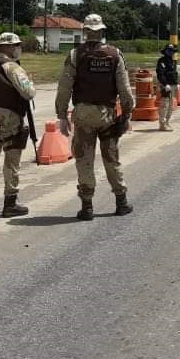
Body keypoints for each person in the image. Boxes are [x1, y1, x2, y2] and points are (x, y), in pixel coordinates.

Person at [55, 14, 135, 221]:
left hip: (83, 115)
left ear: (85, 31)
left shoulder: (75, 55)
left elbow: (64, 88)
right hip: (107, 115)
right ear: (101, 31)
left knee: (84, 160)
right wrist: (127, 115)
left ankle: (87, 206)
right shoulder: (115, 54)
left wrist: (62, 116)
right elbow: (125, 90)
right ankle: (121, 202)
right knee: (111, 158)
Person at [0, 31, 36, 218]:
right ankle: (10, 203)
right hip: (10, 117)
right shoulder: (11, 67)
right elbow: (29, 92)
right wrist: (29, 81)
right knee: (11, 161)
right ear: (8, 47)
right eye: (16, 45)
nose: (18, 49)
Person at [155, 43, 178, 131]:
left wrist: (176, 83)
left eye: (172, 51)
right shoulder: (162, 61)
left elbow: (174, 74)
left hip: (172, 85)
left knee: (170, 105)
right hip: (165, 85)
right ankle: (162, 124)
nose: (171, 52)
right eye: (169, 51)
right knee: (164, 104)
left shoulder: (173, 61)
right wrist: (165, 84)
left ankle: (167, 122)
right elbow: (160, 74)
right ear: (165, 52)